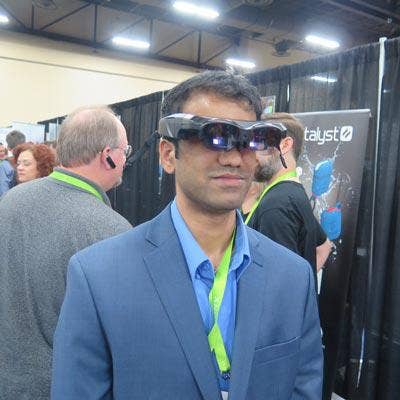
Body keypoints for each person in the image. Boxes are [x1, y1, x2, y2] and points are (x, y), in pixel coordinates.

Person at [51, 72, 323, 400]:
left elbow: (303, 386)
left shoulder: (292, 278)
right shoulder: (99, 277)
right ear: (168, 155)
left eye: (248, 140)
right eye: (215, 137)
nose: (234, 158)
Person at [0, 106, 132, 400]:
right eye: (125, 151)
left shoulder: (10, 201)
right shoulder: (111, 231)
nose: (126, 160)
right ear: (107, 156)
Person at [245, 112, 332, 284]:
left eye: (259, 142)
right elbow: (325, 246)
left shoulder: (277, 204)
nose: (251, 153)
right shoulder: (292, 193)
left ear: (285, 145)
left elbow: (278, 284)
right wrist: (304, 288)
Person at [0, 130, 25, 196]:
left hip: (13, 199)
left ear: (8, 148)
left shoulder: (4, 165)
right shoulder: (32, 161)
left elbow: (3, 193)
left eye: (2, 151)